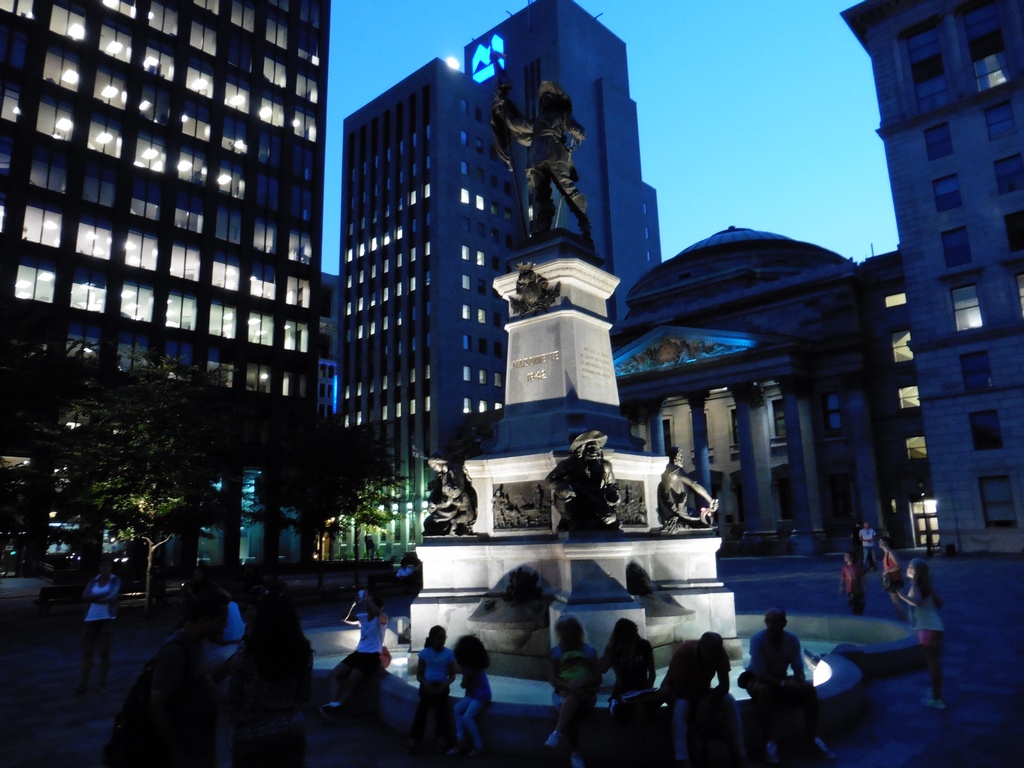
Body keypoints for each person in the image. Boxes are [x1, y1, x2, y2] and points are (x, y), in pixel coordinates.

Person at [491, 78, 592, 242]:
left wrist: (578, 133)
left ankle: (584, 224)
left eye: (548, 96)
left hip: (555, 155)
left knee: (568, 190)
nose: (544, 99)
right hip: (535, 160)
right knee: (541, 195)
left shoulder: (562, 115)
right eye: (543, 97)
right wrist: (503, 104)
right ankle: (543, 227)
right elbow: (517, 124)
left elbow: (576, 128)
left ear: (554, 99)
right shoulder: (537, 121)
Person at [220, 592, 312, 768]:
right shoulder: (302, 650)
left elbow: (234, 695)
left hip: (252, 734)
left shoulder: (247, 651)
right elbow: (305, 694)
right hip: (291, 730)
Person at [742, 608, 835, 764]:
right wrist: (784, 683)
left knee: (809, 690)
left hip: (780, 679)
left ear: (784, 623)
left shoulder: (791, 640)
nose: (771, 625)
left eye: (775, 621)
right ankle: (769, 742)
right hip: (758, 680)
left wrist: (799, 680)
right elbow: (760, 673)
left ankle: (812, 738)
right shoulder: (757, 640)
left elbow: (799, 668)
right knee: (765, 692)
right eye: (768, 621)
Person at [150, 588, 230, 768]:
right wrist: (178, 753)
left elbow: (198, 682)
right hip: (187, 754)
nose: (225, 625)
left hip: (202, 749)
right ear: (205, 619)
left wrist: (227, 669)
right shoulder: (175, 651)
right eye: (222, 619)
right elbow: (157, 706)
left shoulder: (196, 643)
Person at [660, 632, 746, 768]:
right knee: (681, 707)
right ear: (700, 647)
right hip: (677, 691)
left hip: (702, 691)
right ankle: (682, 759)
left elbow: (724, 686)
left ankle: (741, 754)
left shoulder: (719, 653)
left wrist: (707, 700)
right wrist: (702, 702)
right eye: (709, 653)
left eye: (715, 653)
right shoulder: (682, 652)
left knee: (729, 701)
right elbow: (679, 688)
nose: (712, 657)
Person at [319, 592, 388, 720]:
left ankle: (337, 707)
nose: (367, 604)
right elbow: (345, 618)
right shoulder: (362, 617)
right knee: (334, 674)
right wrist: (353, 603)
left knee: (352, 681)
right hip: (358, 654)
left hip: (371, 656)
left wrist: (368, 600)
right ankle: (332, 703)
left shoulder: (381, 620)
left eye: (370, 602)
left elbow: (379, 614)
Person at [546, 615, 601, 768]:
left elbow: (598, 678)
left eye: (568, 628)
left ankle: (558, 735)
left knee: (570, 705)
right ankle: (575, 754)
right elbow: (553, 679)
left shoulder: (589, 650)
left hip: (586, 693)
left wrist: (582, 683)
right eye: (561, 629)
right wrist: (569, 686)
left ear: (576, 630)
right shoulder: (556, 652)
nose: (564, 632)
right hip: (565, 692)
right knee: (572, 707)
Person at [544, 430, 620, 532]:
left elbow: (612, 484)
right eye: (590, 447)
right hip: (576, 502)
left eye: (597, 447)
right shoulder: (569, 464)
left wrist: (613, 493)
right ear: (581, 449)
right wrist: (564, 485)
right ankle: (569, 521)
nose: (594, 451)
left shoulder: (605, 466)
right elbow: (549, 480)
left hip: (596, 501)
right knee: (579, 521)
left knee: (610, 520)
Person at [897, 559, 945, 709]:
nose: (908, 567)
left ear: (916, 571)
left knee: (932, 664)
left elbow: (917, 602)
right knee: (934, 663)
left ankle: (937, 698)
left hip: (926, 629)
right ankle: (936, 693)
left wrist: (901, 596)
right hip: (936, 627)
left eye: (911, 566)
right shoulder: (926, 586)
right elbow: (938, 603)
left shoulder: (917, 586)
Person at [74, 556, 121, 694]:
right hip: (91, 618)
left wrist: (94, 598)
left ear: (111, 567)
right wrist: (100, 597)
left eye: (107, 565)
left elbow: (111, 596)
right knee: (87, 651)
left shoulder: (115, 580)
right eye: (102, 566)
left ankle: (102, 683)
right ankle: (83, 683)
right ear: (99, 567)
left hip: (107, 617)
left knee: (104, 651)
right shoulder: (93, 580)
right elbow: (85, 596)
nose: (105, 568)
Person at [407, 625, 456, 754]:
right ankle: (414, 739)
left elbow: (452, 675)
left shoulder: (449, 654)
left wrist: (444, 684)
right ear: (432, 638)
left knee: (442, 709)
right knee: (422, 708)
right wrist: (425, 683)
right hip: (427, 685)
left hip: (442, 685)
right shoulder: (424, 653)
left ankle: (441, 738)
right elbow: (419, 674)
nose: (442, 640)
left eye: (444, 637)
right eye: (439, 637)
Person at [599, 618, 656, 724]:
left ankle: (639, 740)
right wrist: (611, 650)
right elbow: (603, 669)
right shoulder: (615, 649)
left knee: (641, 709)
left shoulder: (644, 645)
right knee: (635, 709)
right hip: (622, 692)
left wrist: (648, 690)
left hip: (641, 690)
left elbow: (652, 673)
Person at [448, 635, 492, 757]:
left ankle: (479, 745)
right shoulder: (477, 665)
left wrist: (463, 675)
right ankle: (461, 740)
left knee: (467, 717)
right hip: (477, 694)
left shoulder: (468, 669)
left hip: (481, 696)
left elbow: (464, 685)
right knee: (457, 708)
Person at [657, 447, 719, 533]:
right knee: (705, 521)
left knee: (704, 520)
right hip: (677, 513)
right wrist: (710, 500)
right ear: (674, 458)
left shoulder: (665, 471)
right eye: (679, 456)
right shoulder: (675, 470)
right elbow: (693, 484)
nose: (682, 459)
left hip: (672, 512)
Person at [423, 453, 478, 536]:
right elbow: (435, 491)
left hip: (455, 508)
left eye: (435, 466)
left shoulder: (454, 470)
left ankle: (453, 530)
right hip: (448, 508)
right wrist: (431, 502)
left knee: (435, 523)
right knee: (428, 522)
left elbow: (458, 488)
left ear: (440, 462)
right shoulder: (441, 476)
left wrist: (441, 503)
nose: (434, 469)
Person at [879, 537, 906, 621]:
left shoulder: (891, 553)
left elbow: (898, 566)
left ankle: (904, 620)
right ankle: (904, 619)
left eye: (881, 541)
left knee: (897, 602)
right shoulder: (886, 553)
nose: (879, 542)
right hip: (892, 579)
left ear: (887, 543)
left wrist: (887, 571)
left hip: (894, 579)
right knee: (897, 601)